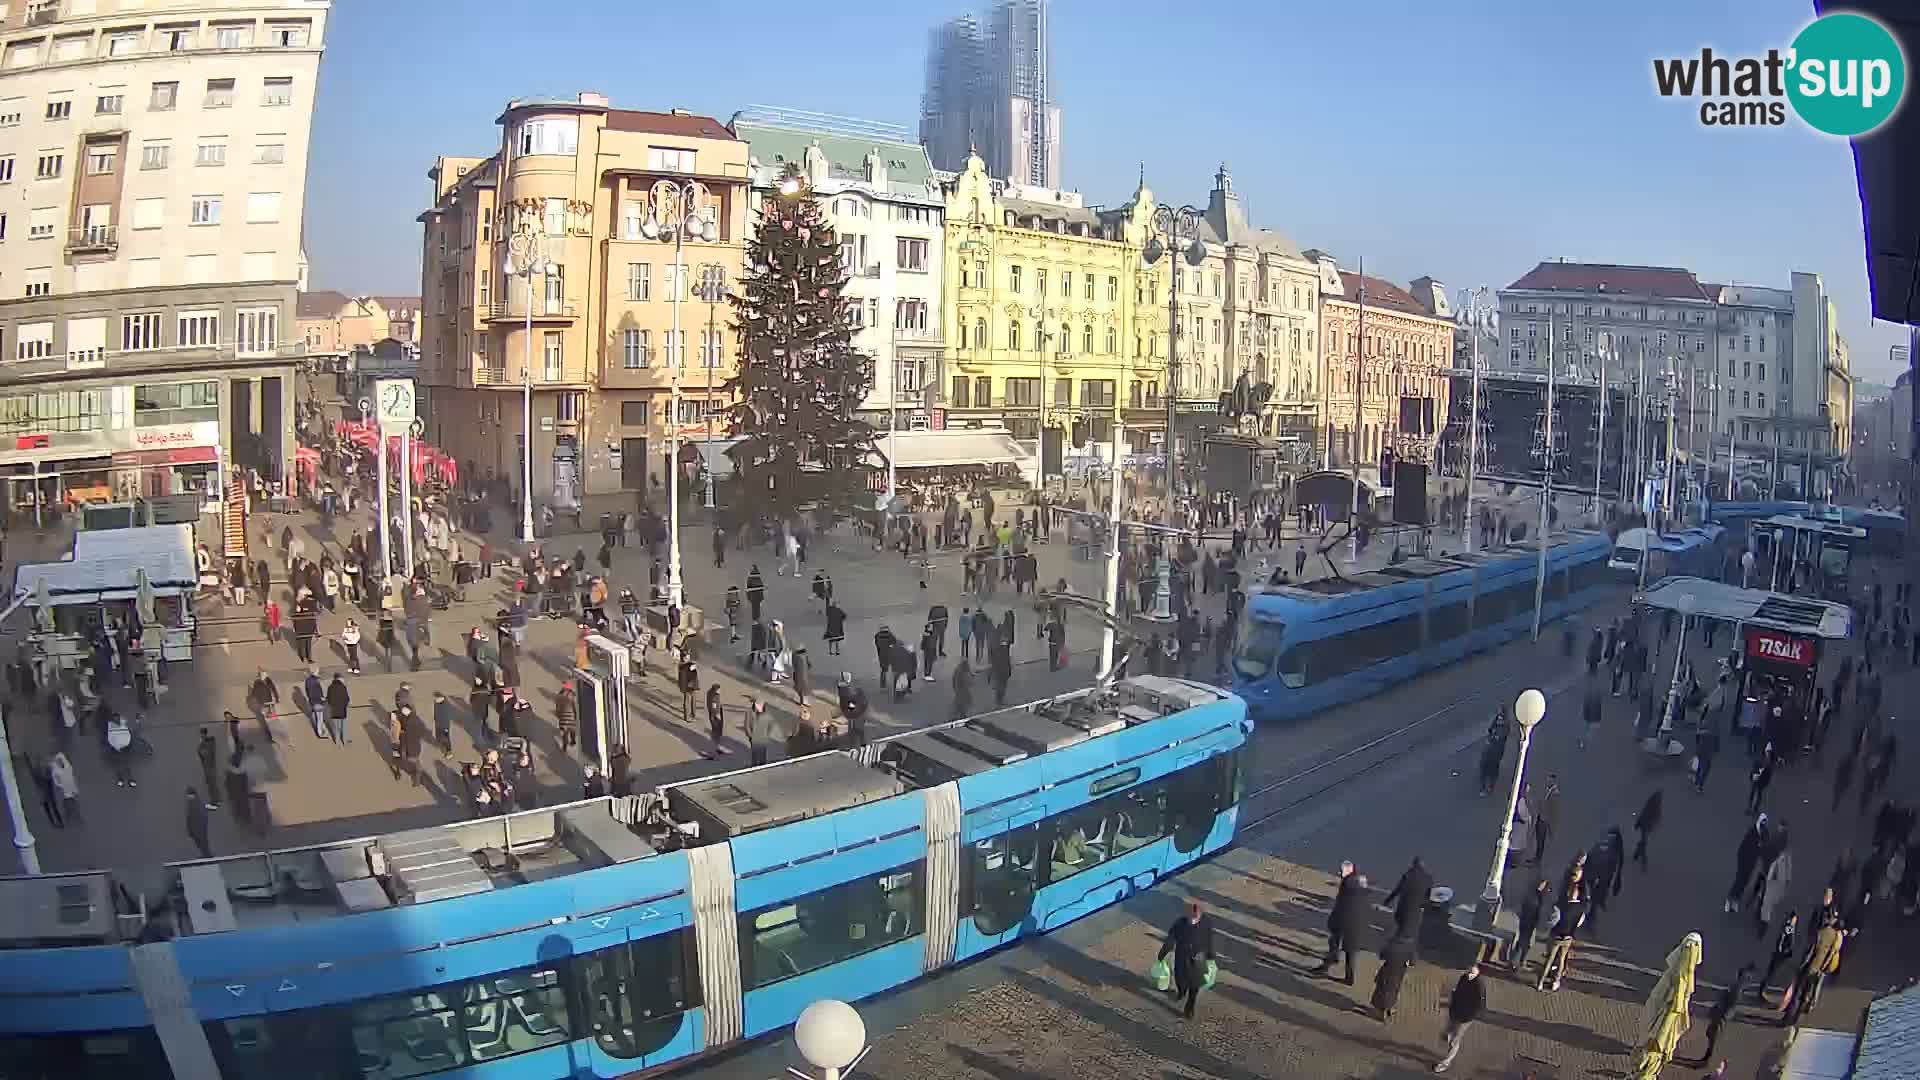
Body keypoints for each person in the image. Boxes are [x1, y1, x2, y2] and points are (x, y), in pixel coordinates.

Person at [1156, 899, 1216, 1020]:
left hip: (1198, 959)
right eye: (1191, 919)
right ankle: (1182, 992)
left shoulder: (1204, 923)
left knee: (1195, 986)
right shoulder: (1180, 924)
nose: (1192, 921)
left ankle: (1190, 1007)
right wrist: (1162, 955)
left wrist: (1211, 956)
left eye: (1195, 919)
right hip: (1183, 958)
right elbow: (1170, 940)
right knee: (1180, 979)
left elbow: (1209, 940)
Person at [1312, 860, 1367, 985]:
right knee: (1350, 951)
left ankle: (1328, 966)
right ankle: (1349, 977)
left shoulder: (1348, 884)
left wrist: (1333, 920)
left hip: (1345, 921)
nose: (1340, 874)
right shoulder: (1360, 880)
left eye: (1342, 871)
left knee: (1336, 943)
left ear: (1349, 870)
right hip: (1356, 923)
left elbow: (1341, 906)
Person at [1434, 963, 1486, 1073]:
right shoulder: (1464, 977)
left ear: (1478, 972)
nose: (1469, 972)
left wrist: (1469, 1017)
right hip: (1455, 1011)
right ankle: (1449, 1036)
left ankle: (1446, 1062)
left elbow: (1480, 1006)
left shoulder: (1479, 985)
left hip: (1465, 1017)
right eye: (1469, 970)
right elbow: (1457, 991)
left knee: (1455, 1040)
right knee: (1448, 1031)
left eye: (1472, 971)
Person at [1383, 856, 1434, 941]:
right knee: (1410, 931)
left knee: (1401, 928)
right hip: (1416, 910)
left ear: (1413, 864)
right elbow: (1429, 896)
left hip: (1404, 906)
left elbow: (1398, 889)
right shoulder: (1428, 878)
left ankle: (1395, 945)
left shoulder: (1408, 875)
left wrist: (1387, 900)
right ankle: (1403, 946)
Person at [1371, 935, 1415, 1021]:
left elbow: (1382, 955)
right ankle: (1388, 1008)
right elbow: (1413, 962)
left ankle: (1382, 1011)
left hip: (1387, 970)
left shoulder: (1392, 943)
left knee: (1382, 989)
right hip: (1398, 973)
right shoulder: (1410, 946)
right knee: (1393, 990)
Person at [1514, 876, 1552, 973]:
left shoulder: (1538, 895)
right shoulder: (1535, 896)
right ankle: (1519, 962)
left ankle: (1517, 961)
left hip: (1529, 922)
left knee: (1523, 942)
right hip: (1528, 922)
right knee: (1525, 943)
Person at [1758, 912, 1797, 997]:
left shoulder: (1788, 926)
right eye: (1794, 919)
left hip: (1781, 952)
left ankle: (1763, 988)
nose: (1795, 921)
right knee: (1772, 971)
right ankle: (1762, 990)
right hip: (1780, 953)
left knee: (1772, 971)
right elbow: (1784, 939)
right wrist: (1782, 950)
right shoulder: (1788, 928)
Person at [1632, 789, 1664, 869]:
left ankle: (1637, 853)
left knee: (1643, 842)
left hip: (1645, 826)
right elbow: (1647, 815)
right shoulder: (1654, 806)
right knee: (1644, 843)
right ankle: (1643, 860)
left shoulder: (1653, 805)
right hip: (1645, 826)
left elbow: (1651, 817)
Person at [247, 669, 280, 745]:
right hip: (262, 704)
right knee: (264, 722)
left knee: (272, 719)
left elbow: (273, 689)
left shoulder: (268, 681)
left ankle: (273, 734)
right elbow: (254, 693)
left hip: (268, 703)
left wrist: (277, 698)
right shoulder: (257, 682)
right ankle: (269, 736)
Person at [196, 729, 221, 809]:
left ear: (204, 734)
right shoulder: (210, 742)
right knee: (212, 784)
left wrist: (201, 744)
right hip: (209, 767)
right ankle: (218, 800)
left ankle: (214, 803)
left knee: (211, 786)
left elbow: (202, 753)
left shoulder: (208, 744)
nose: (201, 736)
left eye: (202, 734)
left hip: (209, 768)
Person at [185, 787, 212, 859]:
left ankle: (207, 855)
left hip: (198, 827)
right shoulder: (193, 803)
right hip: (197, 827)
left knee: (201, 842)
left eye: (189, 794)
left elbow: (195, 816)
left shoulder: (196, 803)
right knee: (201, 842)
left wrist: (191, 828)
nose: (188, 796)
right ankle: (206, 854)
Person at [325, 673, 351, 745]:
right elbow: (346, 698)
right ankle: (344, 740)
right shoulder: (343, 687)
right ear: (339, 678)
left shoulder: (330, 687)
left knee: (336, 727)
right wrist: (346, 704)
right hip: (342, 710)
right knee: (344, 726)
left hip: (334, 710)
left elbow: (329, 699)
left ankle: (337, 741)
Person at [303, 667, 326, 740]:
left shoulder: (310, 680)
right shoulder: (313, 681)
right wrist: (321, 697)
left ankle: (321, 730)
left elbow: (309, 692)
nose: (318, 673)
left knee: (319, 716)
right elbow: (314, 691)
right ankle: (320, 732)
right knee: (319, 717)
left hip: (315, 701)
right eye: (317, 672)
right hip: (316, 701)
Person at [554, 681, 578, 752]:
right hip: (571, 716)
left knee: (564, 733)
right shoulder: (571, 696)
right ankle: (573, 741)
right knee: (572, 730)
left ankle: (564, 747)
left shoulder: (559, 696)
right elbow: (574, 707)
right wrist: (575, 716)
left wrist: (559, 716)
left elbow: (557, 708)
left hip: (563, 717)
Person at [678, 656, 700, 727]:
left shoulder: (681, 666)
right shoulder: (689, 666)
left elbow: (681, 678)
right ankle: (691, 715)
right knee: (691, 700)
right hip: (691, 686)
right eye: (687, 657)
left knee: (687, 700)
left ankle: (688, 716)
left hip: (686, 686)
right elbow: (694, 673)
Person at [705, 683, 725, 754]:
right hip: (715, 716)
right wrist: (717, 715)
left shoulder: (710, 692)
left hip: (714, 715)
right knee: (716, 732)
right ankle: (714, 749)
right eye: (719, 690)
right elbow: (713, 707)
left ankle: (717, 747)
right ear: (716, 690)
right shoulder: (714, 697)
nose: (720, 691)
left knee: (716, 732)